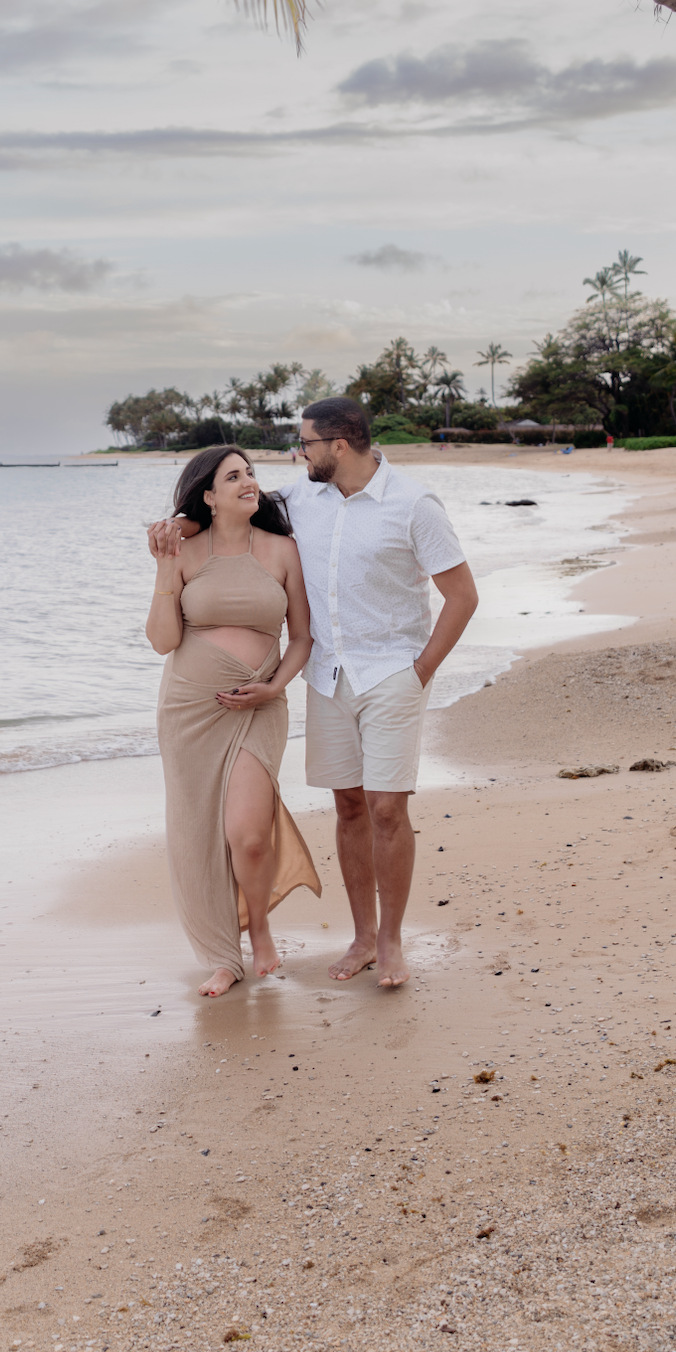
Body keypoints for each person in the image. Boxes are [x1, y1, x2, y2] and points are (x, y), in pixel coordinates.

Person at [151, 399, 479, 989]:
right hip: (326, 677)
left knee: (386, 808)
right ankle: (360, 938)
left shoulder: (414, 504)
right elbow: (230, 511)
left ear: (339, 445)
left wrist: (421, 671)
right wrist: (180, 526)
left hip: (391, 675)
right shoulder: (301, 498)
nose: (295, 453)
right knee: (349, 807)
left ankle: (391, 941)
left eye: (304, 443)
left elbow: (462, 597)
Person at [146, 446, 321, 997]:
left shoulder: (284, 550)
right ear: (208, 495)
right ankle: (223, 957)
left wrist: (276, 686)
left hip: (260, 706)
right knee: (198, 832)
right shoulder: (182, 552)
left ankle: (261, 927)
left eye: (250, 473)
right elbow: (163, 641)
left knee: (246, 834)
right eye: (233, 476)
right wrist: (162, 569)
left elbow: (302, 638)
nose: (249, 482)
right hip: (190, 710)